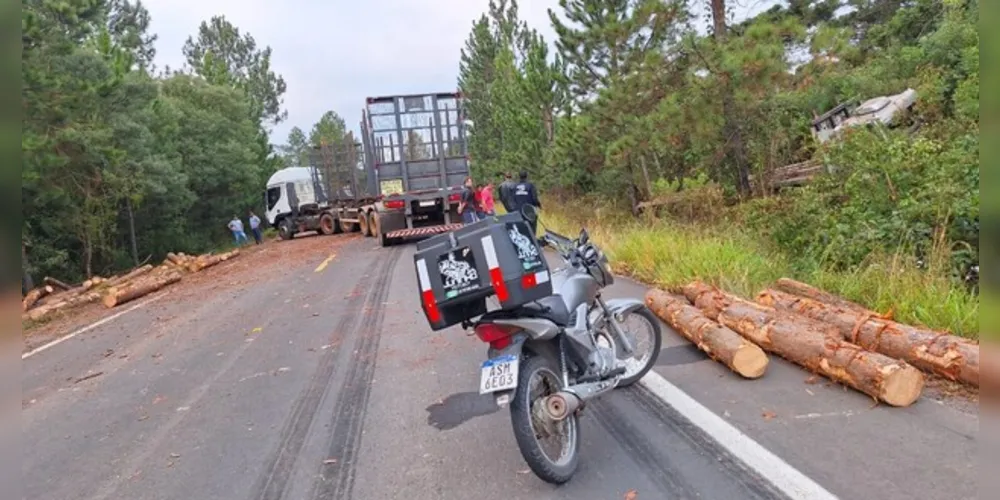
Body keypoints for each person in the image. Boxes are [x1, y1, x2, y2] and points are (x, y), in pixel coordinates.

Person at [510, 170, 541, 235]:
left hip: (518, 212)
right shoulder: (530, 185)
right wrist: (538, 204)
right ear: (526, 176)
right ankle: (532, 241)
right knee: (531, 230)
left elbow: (512, 200)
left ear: (519, 176)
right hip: (529, 211)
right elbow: (534, 198)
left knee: (521, 231)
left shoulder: (514, 186)